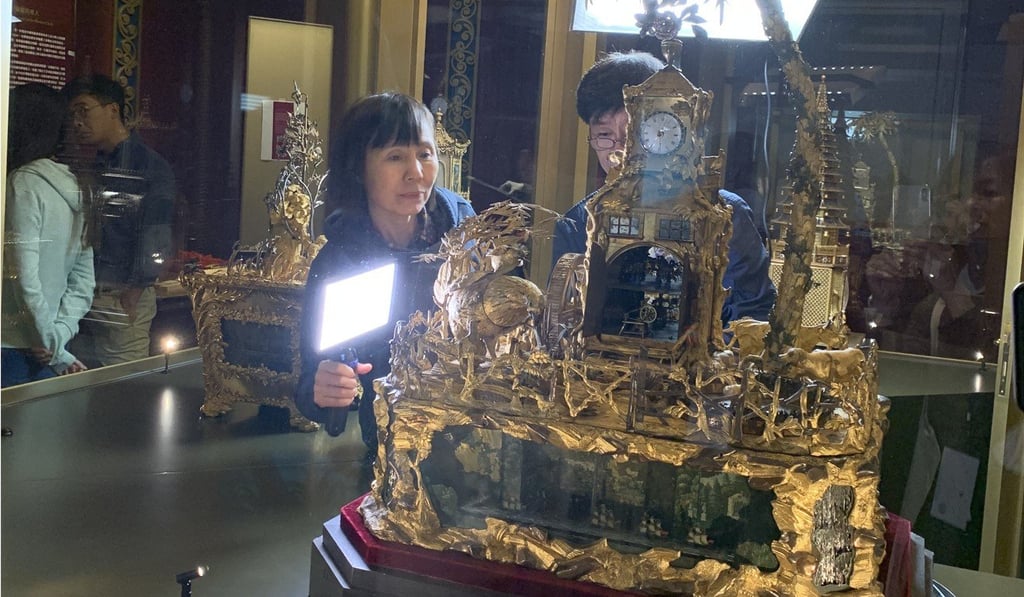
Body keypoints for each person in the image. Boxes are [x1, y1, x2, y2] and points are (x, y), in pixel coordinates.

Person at [295, 92, 475, 456]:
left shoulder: (468, 237)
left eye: (425, 154)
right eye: (395, 157)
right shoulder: (342, 262)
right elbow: (314, 374)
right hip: (389, 442)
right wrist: (325, 390)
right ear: (357, 168)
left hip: (476, 432)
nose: (416, 173)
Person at [553, 51, 776, 325]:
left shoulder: (725, 214)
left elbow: (753, 315)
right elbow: (566, 320)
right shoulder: (576, 224)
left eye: (634, 131)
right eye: (604, 135)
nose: (619, 149)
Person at [62, 74, 176, 366]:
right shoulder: (91, 164)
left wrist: (136, 288)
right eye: (72, 114)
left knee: (120, 391)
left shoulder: (148, 165)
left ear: (112, 109)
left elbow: (157, 232)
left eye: (83, 110)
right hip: (81, 297)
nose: (77, 121)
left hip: (121, 297)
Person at [2, 83, 95, 387]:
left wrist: (50, 342)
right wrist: (58, 336)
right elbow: (83, 281)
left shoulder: (23, 183)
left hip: (12, 344)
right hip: (46, 346)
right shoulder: (77, 183)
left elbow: (22, 277)